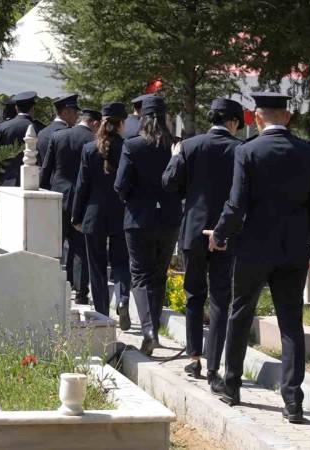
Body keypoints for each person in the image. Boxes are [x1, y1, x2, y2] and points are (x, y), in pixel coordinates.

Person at [205, 92, 310, 424]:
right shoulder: (309, 153)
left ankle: (232, 385)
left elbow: (236, 204)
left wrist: (220, 235)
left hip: (254, 248)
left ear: (257, 118)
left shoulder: (247, 151)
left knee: (241, 313)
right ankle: (293, 401)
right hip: (294, 249)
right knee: (291, 322)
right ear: (287, 117)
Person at [162, 98, 244, 382]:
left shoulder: (188, 146)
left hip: (193, 231)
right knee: (221, 297)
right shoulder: (240, 149)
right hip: (225, 231)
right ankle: (213, 365)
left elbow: (170, 183)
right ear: (233, 122)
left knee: (194, 294)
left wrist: (175, 157)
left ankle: (194, 357)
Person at [114, 96, 182, 355]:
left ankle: (149, 332)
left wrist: (130, 198)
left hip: (138, 218)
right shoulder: (176, 145)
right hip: (169, 218)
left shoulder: (132, 145)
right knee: (158, 275)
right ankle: (152, 331)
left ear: (142, 119)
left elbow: (121, 184)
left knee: (140, 276)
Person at [71, 103, 131, 328]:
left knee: (96, 267)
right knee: (121, 262)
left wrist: (76, 217)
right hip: (121, 214)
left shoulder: (89, 149)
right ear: (121, 123)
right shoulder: (127, 148)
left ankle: (102, 315)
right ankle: (123, 298)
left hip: (93, 215)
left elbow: (82, 186)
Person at [41, 108, 102, 305]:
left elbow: (46, 170)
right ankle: (80, 291)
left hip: (57, 196)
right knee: (80, 247)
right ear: (94, 123)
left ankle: (51, 285)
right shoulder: (94, 141)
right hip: (83, 199)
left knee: (54, 244)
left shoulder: (58, 136)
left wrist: (43, 195)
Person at [0, 91, 45, 186]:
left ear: (16, 108)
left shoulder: (3, 127)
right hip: (32, 181)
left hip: (6, 180)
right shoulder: (40, 128)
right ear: (33, 109)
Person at [37, 94, 80, 171]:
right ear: (66, 113)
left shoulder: (41, 133)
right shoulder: (70, 134)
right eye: (75, 113)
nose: (77, 117)